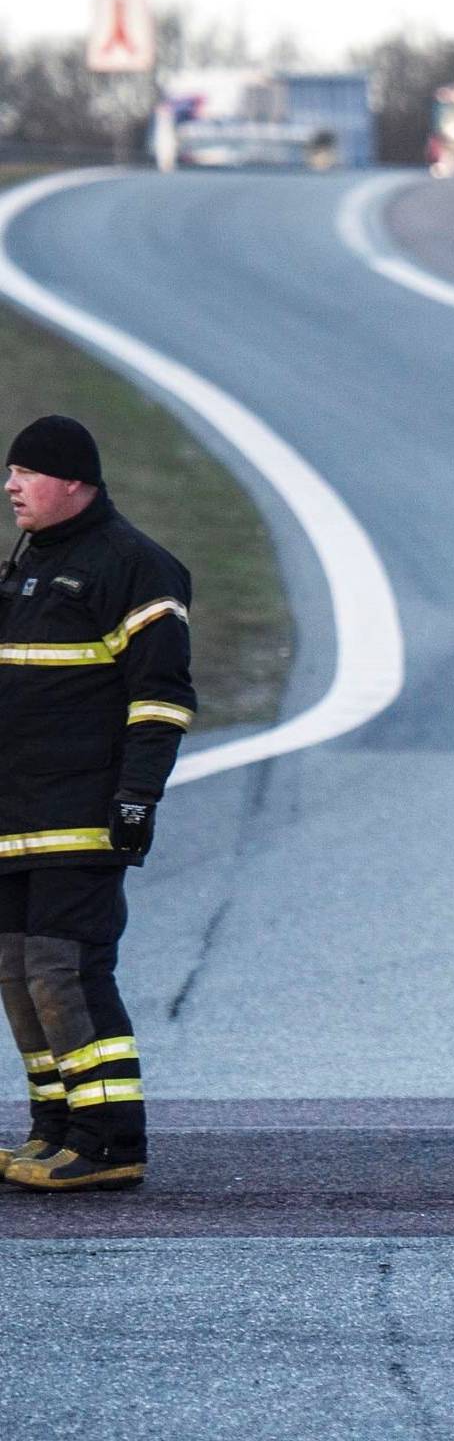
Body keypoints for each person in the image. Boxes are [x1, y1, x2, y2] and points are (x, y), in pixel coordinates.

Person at [0, 417, 196, 1191]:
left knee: (65, 970)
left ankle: (112, 1140)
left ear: (74, 481)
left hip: (79, 813)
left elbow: (161, 696)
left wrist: (137, 798)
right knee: (17, 971)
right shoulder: (28, 568)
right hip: (14, 819)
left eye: (26, 473)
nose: (11, 486)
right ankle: (56, 1129)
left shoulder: (134, 567)